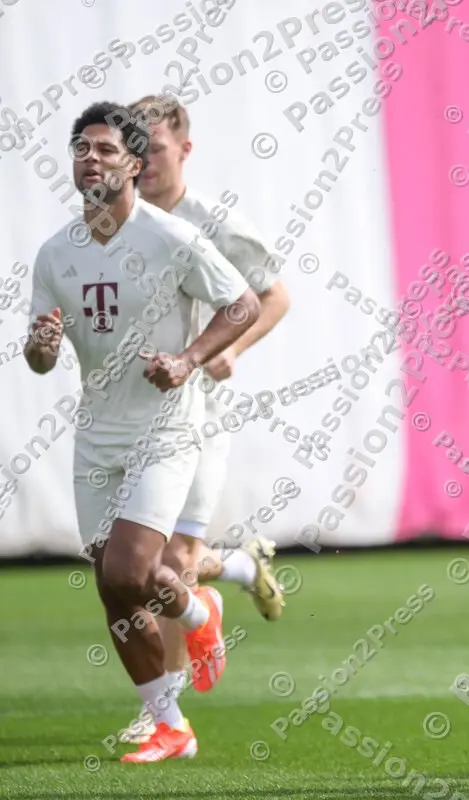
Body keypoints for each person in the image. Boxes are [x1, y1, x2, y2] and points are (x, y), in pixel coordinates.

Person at [25, 101, 261, 763]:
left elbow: (241, 301)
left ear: (134, 163)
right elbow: (41, 359)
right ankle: (176, 702)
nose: (91, 158)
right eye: (82, 148)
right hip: (97, 432)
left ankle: (174, 696)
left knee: (128, 568)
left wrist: (187, 360)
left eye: (105, 149)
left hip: (166, 428)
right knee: (114, 583)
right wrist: (40, 345)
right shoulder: (54, 254)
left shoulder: (171, 238)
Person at [113, 94, 292, 745]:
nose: (142, 162)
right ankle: (236, 573)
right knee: (135, 564)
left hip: (198, 417)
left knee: (170, 557)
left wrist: (230, 350)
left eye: (154, 149)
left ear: (185, 150)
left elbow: (274, 295)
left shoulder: (211, 222)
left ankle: (163, 713)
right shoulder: (114, 222)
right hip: (130, 419)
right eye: (133, 150)